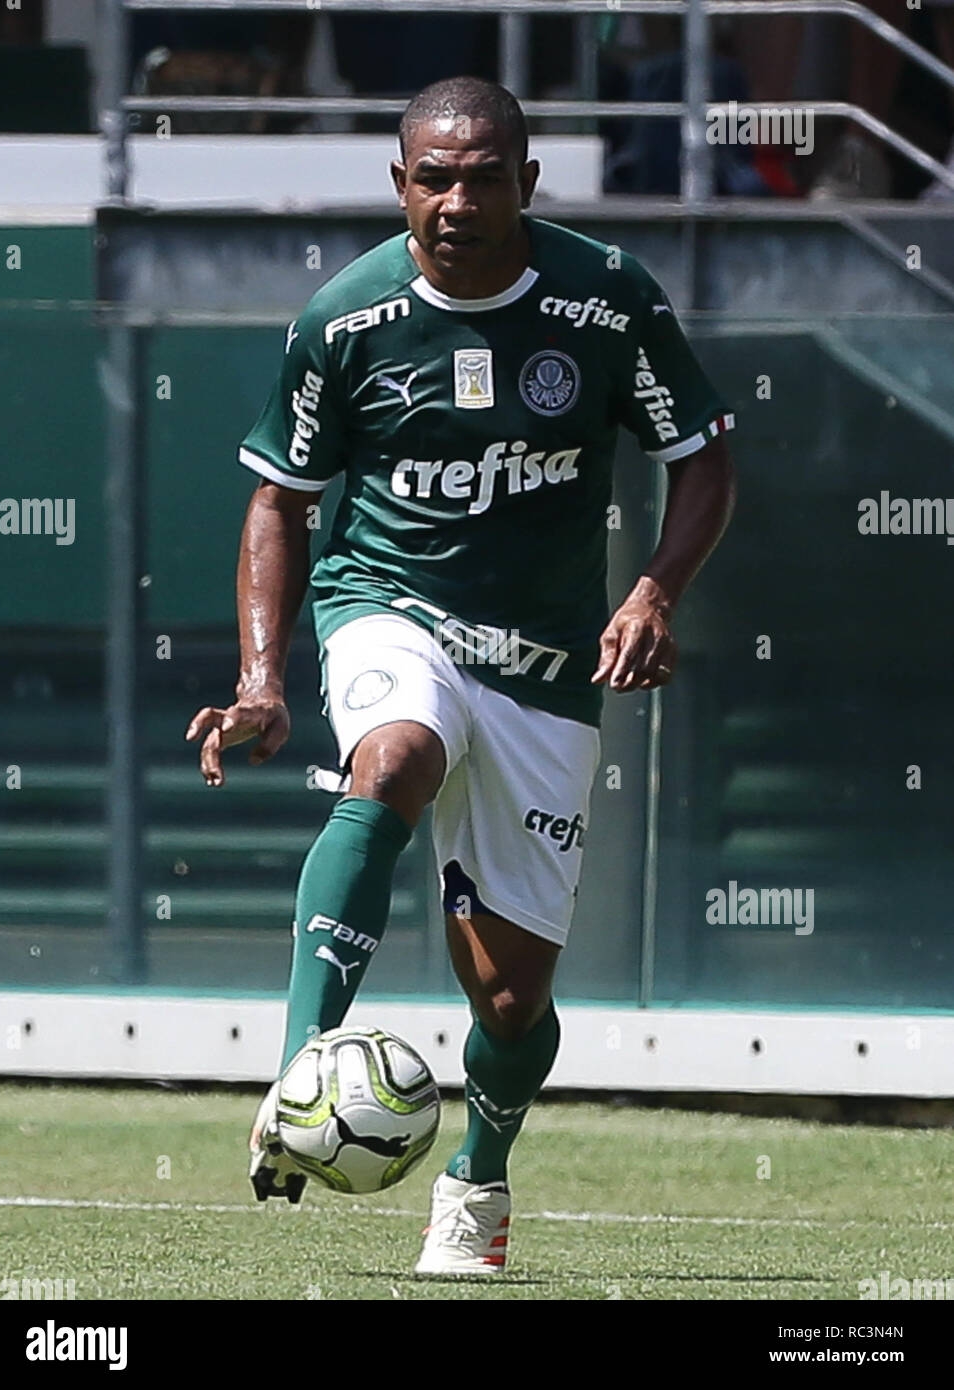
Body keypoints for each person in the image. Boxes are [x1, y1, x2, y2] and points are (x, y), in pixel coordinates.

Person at [186, 76, 736, 1276]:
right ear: (399, 184)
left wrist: (651, 591)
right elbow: (282, 498)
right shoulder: (344, 319)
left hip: (542, 665)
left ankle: (477, 1179)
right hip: (389, 609)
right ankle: (296, 1076)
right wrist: (264, 682)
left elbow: (703, 457)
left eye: (484, 175)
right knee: (391, 760)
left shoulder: (606, 300)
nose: (456, 199)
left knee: (510, 1006)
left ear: (527, 183)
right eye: (432, 176)